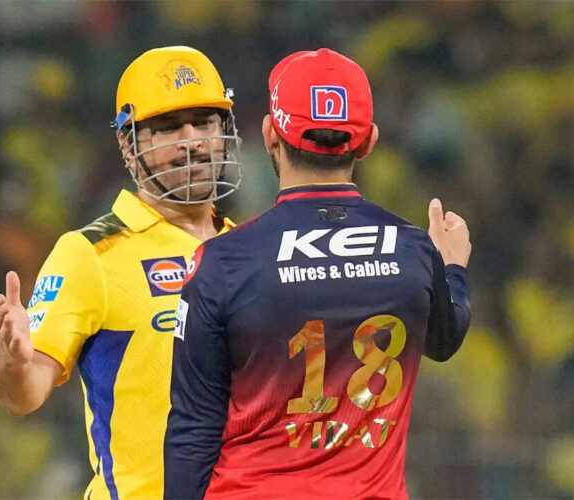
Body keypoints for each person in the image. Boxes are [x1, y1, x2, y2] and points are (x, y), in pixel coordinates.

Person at [164, 48, 472, 499]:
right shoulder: (414, 252)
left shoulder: (222, 262)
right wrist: (453, 269)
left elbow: (193, 429)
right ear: (368, 141)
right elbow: (444, 341)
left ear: (270, 134)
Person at [0, 46, 242, 500]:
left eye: (204, 122)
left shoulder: (250, 249)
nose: (192, 142)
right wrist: (14, 360)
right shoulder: (90, 254)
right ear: (128, 143)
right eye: (168, 127)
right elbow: (22, 395)